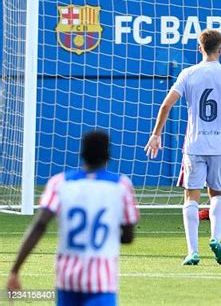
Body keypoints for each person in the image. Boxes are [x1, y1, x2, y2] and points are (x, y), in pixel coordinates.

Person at [145, 29, 221, 266]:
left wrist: (156, 134)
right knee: (217, 194)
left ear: (200, 48)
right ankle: (215, 239)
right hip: (220, 145)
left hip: (194, 145)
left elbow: (166, 105)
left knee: (190, 197)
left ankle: (192, 252)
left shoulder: (188, 74)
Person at [6, 130, 139, 306]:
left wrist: (15, 270)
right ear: (108, 155)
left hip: (67, 279)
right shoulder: (121, 186)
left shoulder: (59, 183)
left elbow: (39, 225)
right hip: (102, 281)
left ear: (82, 154)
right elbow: (128, 237)